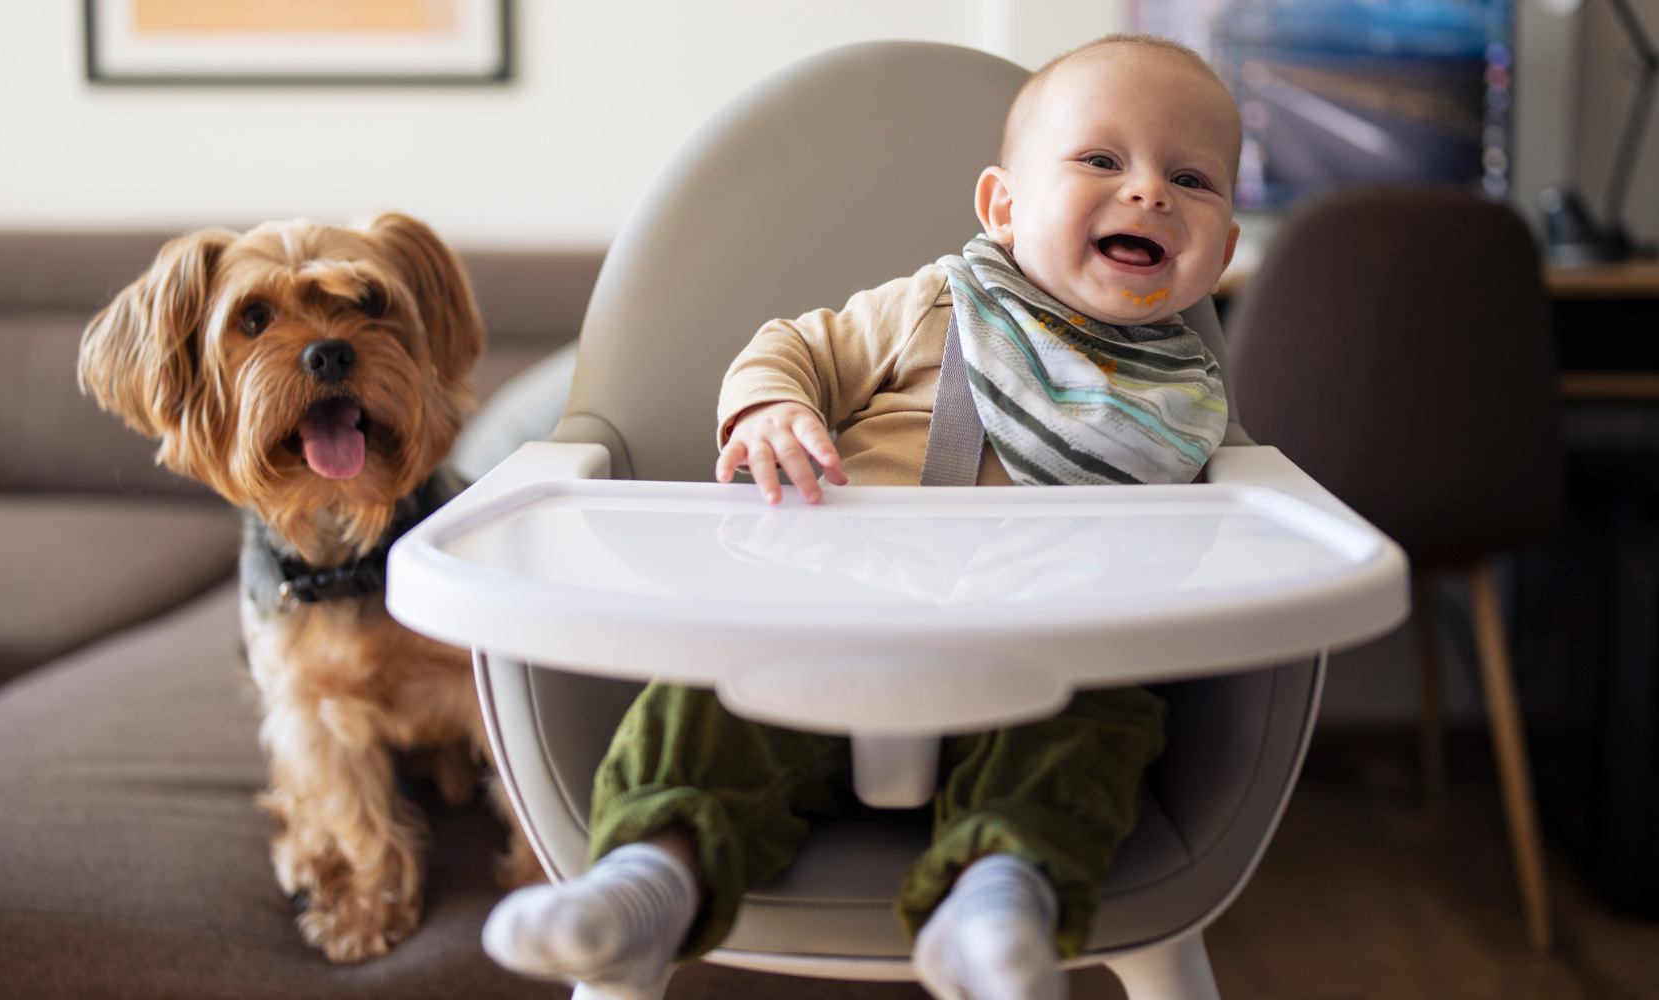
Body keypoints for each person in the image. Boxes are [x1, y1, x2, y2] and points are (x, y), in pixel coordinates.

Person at [482, 33, 1243, 1000]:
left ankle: (998, 901)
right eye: (1101, 160)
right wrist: (774, 409)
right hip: (822, 629)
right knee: (701, 707)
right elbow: (795, 346)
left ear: (1217, 253)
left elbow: (1211, 545)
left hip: (1042, 667)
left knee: (1094, 740)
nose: (1148, 193)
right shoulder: (938, 306)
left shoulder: (1182, 403)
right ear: (1004, 207)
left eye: (1190, 179)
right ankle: (646, 882)